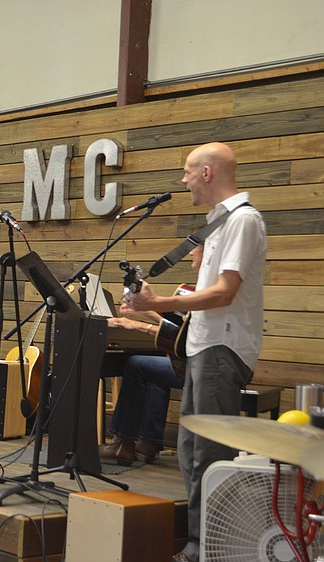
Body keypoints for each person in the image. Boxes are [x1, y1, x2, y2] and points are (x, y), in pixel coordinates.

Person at [125, 142, 266, 562]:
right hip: (205, 347)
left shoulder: (242, 220)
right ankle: (201, 545)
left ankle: (205, 550)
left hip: (222, 349)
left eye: (187, 172)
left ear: (207, 173)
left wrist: (157, 303)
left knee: (209, 454)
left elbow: (224, 293)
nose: (183, 180)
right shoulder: (219, 223)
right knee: (190, 451)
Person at [100, 247, 202, 465]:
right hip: (199, 361)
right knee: (152, 365)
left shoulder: (207, 292)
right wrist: (144, 311)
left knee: (138, 365)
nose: (191, 252)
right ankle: (148, 442)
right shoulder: (202, 289)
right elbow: (181, 329)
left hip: (202, 366)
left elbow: (185, 338)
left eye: (197, 247)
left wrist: (137, 324)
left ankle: (121, 443)